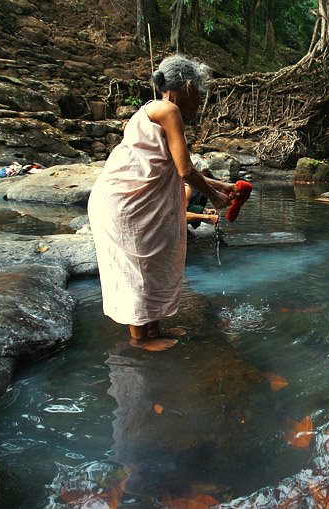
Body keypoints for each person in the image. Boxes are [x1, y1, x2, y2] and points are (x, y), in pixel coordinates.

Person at [88, 54, 241, 351]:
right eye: (199, 92)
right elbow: (185, 170)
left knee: (153, 262)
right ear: (186, 87)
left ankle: (154, 329)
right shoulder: (168, 110)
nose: (200, 100)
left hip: (127, 199)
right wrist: (213, 196)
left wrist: (222, 186)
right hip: (126, 202)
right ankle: (140, 339)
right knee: (138, 266)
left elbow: (172, 167)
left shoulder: (150, 110)